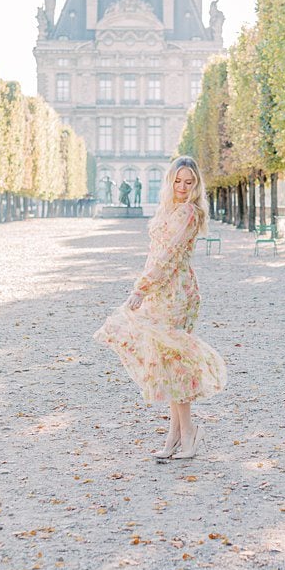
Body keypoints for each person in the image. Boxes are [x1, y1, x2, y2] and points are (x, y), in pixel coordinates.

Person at [94, 156, 226, 461]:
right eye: (178, 181)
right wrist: (143, 286)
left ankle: (186, 434)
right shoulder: (169, 210)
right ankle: (177, 434)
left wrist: (140, 289)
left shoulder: (189, 213)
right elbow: (154, 254)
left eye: (189, 182)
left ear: (196, 185)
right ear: (170, 181)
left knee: (175, 363)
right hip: (160, 291)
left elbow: (167, 256)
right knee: (169, 363)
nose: (182, 187)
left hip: (177, 293)